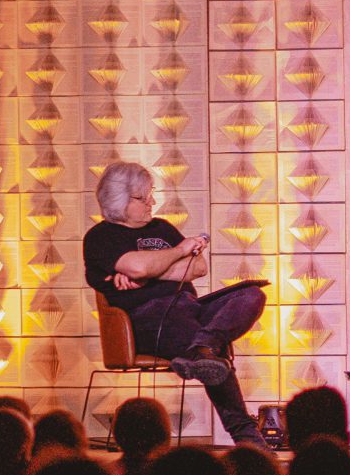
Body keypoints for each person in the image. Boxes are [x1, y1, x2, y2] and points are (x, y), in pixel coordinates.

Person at [83, 162, 267, 446]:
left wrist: (147, 270)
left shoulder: (162, 228)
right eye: (143, 197)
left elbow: (198, 268)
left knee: (252, 295)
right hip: (147, 321)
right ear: (119, 201)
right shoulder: (100, 237)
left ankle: (201, 348)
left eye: (151, 194)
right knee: (207, 348)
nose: (151, 202)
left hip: (190, 310)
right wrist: (179, 251)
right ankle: (246, 435)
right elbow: (145, 266)